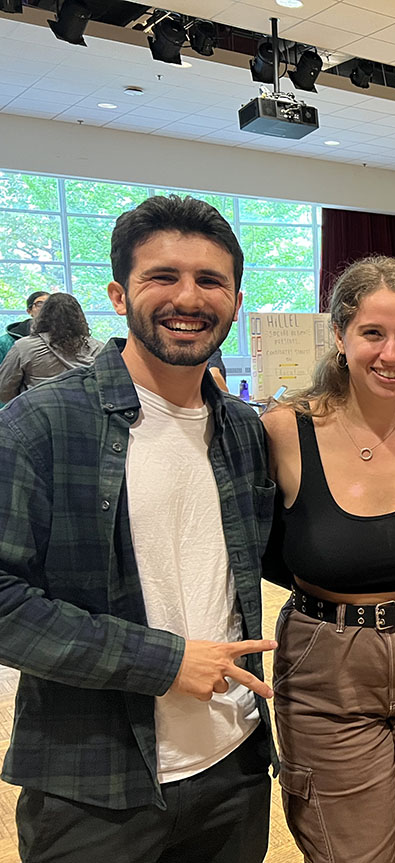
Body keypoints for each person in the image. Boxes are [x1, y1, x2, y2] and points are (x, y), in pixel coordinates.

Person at [0, 194, 278, 862]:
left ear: (235, 301)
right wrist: (166, 659)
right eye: (163, 277)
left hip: (233, 767)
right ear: (119, 295)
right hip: (95, 786)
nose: (189, 296)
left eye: (210, 280)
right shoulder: (41, 425)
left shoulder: (243, 430)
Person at [261, 256, 395, 863]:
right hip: (328, 661)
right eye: (372, 334)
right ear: (340, 337)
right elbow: (252, 541)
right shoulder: (285, 429)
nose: (391, 354)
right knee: (358, 850)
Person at [0, 292, 102, 402]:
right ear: (79, 317)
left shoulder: (24, 347)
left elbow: (4, 391)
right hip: (89, 413)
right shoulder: (98, 347)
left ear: (43, 316)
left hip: (38, 413)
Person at [0, 290, 50, 364]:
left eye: (51, 304)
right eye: (40, 304)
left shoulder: (64, 337)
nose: (46, 308)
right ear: (29, 311)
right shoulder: (6, 342)